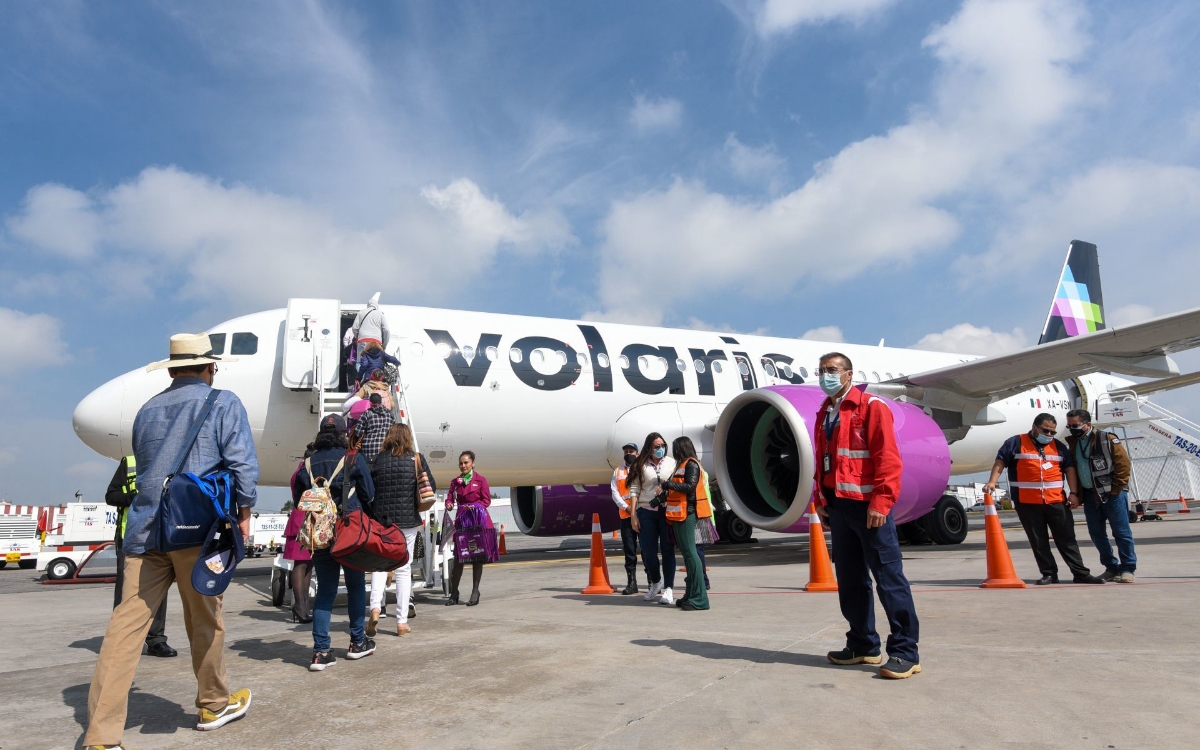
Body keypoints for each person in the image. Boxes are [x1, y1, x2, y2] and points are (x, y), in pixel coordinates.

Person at [84, 333, 258, 749]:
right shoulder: (223, 402)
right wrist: (245, 514)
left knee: (124, 631)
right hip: (195, 530)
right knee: (205, 621)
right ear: (210, 366)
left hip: (144, 531)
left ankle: (101, 737)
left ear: (172, 368)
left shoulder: (147, 410)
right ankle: (214, 704)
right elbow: (241, 464)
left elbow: (147, 469)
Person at [813, 352, 921, 679]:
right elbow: (824, 460)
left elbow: (887, 458)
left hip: (868, 505)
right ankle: (863, 644)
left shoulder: (872, 406)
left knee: (888, 578)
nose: (825, 376)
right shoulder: (825, 412)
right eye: (821, 371)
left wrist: (882, 502)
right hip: (839, 505)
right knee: (850, 579)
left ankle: (905, 652)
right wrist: (820, 498)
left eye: (831, 370)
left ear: (849, 374)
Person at [292, 414, 377, 672]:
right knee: (355, 586)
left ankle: (320, 652)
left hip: (322, 533)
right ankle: (357, 643)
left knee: (326, 591)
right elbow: (369, 493)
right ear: (342, 433)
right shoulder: (352, 458)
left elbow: (299, 498)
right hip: (349, 531)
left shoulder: (307, 462)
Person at [984, 414, 1105, 586]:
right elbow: (1000, 461)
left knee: (1067, 539)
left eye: (1052, 432)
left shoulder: (1058, 447)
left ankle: (1080, 573)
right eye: (1045, 431)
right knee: (1038, 540)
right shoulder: (1015, 442)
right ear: (1034, 427)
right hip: (1027, 503)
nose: (1048, 435)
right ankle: (1049, 573)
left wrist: (1074, 493)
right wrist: (992, 482)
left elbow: (1069, 469)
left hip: (1056, 501)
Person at [103, 455, 176, 658]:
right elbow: (111, 496)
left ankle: (156, 640)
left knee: (159, 591)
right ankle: (121, 641)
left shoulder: (172, 461)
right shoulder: (130, 462)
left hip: (159, 535)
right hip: (130, 537)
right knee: (126, 591)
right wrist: (139, 497)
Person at [367, 424, 435, 636]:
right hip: (407, 521)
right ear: (407, 438)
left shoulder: (378, 460)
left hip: (382, 522)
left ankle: (376, 609)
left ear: (388, 438)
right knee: (404, 570)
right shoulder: (416, 458)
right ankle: (401, 622)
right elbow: (429, 485)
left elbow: (368, 490)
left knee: (379, 566)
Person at [1066, 409, 1137, 583]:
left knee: (1121, 532)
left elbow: (1124, 465)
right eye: (1069, 426)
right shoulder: (1074, 443)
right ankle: (1111, 567)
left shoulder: (1108, 439)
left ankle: (1128, 568)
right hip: (1090, 495)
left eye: (1075, 425)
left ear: (1087, 424)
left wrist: (1115, 489)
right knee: (1097, 533)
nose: (1071, 429)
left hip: (1111, 494)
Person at [659, 437, 710, 611]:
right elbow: (677, 490)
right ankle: (691, 593)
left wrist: (668, 484)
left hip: (687, 514)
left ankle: (699, 598)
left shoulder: (691, 465)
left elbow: (690, 487)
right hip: (678, 515)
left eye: (675, 448)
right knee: (688, 555)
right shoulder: (681, 466)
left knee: (690, 554)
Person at [628, 432, 677, 606]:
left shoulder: (671, 463)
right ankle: (656, 582)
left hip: (666, 511)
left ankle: (669, 588)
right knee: (648, 552)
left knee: (667, 549)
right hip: (646, 510)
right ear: (649, 448)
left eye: (662, 445)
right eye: (657, 446)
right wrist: (633, 515)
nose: (660, 449)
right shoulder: (640, 464)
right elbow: (634, 489)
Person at [445, 451, 498, 606]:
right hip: (462, 522)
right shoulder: (455, 482)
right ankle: (454, 592)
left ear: (473, 463)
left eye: (466, 462)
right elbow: (450, 497)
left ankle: (475, 591)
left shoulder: (481, 480)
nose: (463, 466)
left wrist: (473, 507)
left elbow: (486, 500)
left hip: (477, 521)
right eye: (461, 463)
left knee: (477, 558)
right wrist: (449, 504)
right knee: (459, 558)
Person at [610, 442, 641, 595]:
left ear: (637, 453)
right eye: (626, 451)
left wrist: (637, 507)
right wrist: (626, 507)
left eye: (631, 451)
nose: (628, 453)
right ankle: (632, 582)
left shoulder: (643, 468)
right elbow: (614, 492)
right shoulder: (618, 471)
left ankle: (652, 581)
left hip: (642, 514)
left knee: (648, 549)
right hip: (626, 515)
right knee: (629, 551)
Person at [344, 292, 390, 361]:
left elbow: (354, 328)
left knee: (360, 362)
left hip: (362, 340)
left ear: (368, 305)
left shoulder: (361, 312)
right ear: (376, 305)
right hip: (376, 342)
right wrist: (384, 344)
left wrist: (358, 337)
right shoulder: (380, 314)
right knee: (376, 362)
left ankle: (360, 371)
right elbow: (386, 330)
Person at [356, 392, 394, 461]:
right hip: (385, 451)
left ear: (370, 403)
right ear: (380, 402)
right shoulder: (390, 415)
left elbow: (358, 432)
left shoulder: (367, 413)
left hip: (369, 451)